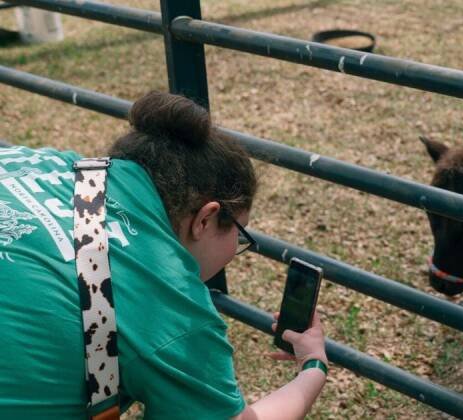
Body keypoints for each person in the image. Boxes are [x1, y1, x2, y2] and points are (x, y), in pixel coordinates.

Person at [0, 91, 328, 419]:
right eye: (239, 235)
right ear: (205, 219)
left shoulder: (44, 162)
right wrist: (313, 367)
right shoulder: (169, 308)